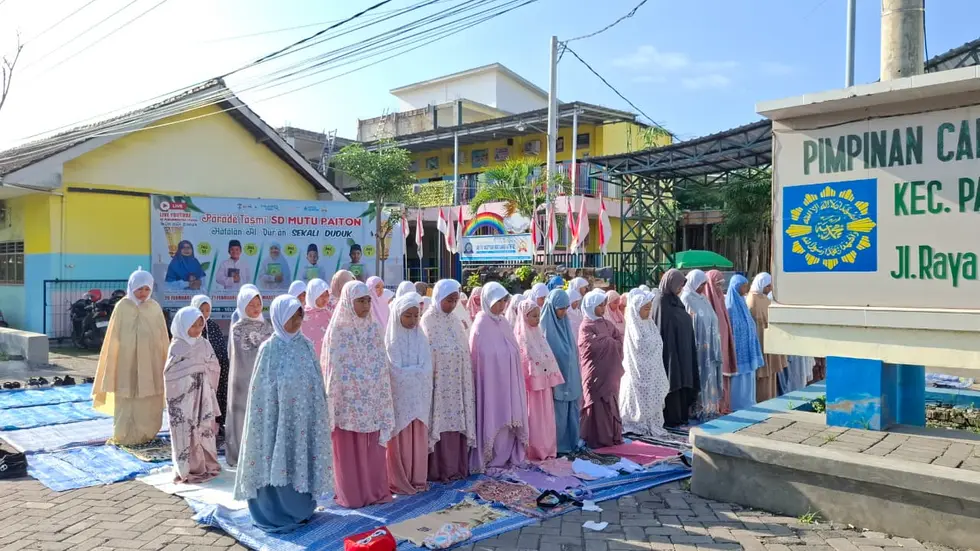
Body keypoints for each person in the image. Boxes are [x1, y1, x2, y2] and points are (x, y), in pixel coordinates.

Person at [234, 295, 333, 533]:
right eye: (292, 315)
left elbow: (316, 382)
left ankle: (300, 510)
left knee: (299, 458)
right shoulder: (269, 349)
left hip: (303, 420)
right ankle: (273, 511)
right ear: (279, 317)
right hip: (275, 422)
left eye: (300, 315)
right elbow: (261, 393)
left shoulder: (306, 345)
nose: (298, 320)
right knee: (275, 456)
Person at [324, 281, 395, 508]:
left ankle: (374, 491)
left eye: (367, 300)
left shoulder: (374, 328)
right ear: (348, 302)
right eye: (360, 301)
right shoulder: (338, 330)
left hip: (372, 400)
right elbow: (334, 369)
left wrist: (377, 389)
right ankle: (352, 494)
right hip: (347, 403)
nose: (365, 306)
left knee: (372, 448)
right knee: (349, 451)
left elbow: (381, 363)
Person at [93, 268, 169, 445]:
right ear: (131, 287)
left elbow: (162, 338)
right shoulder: (122, 307)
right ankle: (124, 435)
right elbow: (113, 337)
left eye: (146, 289)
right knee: (126, 398)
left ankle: (147, 434)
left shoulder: (154, 308)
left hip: (151, 362)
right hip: (125, 362)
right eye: (139, 289)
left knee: (149, 399)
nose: (143, 293)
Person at [420, 280, 477, 482]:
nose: (452, 305)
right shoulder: (428, 320)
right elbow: (429, 350)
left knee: (456, 421)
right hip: (438, 384)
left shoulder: (455, 321)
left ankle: (456, 467)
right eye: (449, 300)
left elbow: (463, 349)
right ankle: (439, 470)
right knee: (439, 421)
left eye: (455, 301)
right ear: (438, 298)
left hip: (456, 384)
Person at [469, 282, 528, 472]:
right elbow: (480, 357)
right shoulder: (480, 324)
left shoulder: (503, 323)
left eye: (504, 301)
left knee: (509, 419)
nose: (502, 305)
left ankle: (507, 454)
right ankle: (490, 457)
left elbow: (513, 348)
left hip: (508, 380)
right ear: (488, 301)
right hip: (491, 383)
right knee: (493, 415)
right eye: (498, 301)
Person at [164, 306, 221, 484]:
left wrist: (202, 372)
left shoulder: (204, 343)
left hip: (203, 395)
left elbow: (214, 365)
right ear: (182, 325)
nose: (197, 330)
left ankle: (207, 464)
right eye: (193, 326)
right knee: (185, 429)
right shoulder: (177, 346)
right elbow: (170, 374)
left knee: (204, 428)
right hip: (183, 398)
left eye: (200, 325)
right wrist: (191, 373)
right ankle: (188, 468)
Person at [384, 293, 433, 495]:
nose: (413, 320)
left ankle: (418, 478)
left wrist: (413, 373)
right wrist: (415, 373)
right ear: (398, 315)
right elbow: (394, 370)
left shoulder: (421, 337)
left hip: (418, 398)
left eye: (416, 316)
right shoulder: (392, 339)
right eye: (408, 316)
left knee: (417, 438)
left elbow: (427, 366)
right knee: (402, 439)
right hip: (401, 400)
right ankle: (400, 480)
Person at [226, 286, 273, 467]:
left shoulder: (267, 325)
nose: (255, 308)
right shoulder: (238, 328)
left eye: (258, 303)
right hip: (243, 381)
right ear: (242, 305)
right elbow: (242, 355)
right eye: (251, 304)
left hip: (264, 381)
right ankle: (241, 454)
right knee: (242, 416)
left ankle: (262, 453)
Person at [514, 300, 564, 461]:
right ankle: (533, 450)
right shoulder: (520, 338)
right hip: (531, 392)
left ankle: (548, 449)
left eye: (538, 316)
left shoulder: (539, 335)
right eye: (533, 316)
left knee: (546, 420)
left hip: (544, 389)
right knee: (534, 420)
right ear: (524, 316)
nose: (537, 319)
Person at [652, 269, 700, 428]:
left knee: (684, 381)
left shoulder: (676, 301)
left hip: (682, 350)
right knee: (672, 383)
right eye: (678, 284)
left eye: (682, 285)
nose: (680, 288)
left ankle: (681, 416)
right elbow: (661, 328)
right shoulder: (660, 301)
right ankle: (671, 418)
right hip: (669, 352)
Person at [618, 289, 670, 437]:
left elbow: (657, 342)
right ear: (636, 309)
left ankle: (651, 422)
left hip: (653, 370)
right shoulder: (634, 326)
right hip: (638, 371)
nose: (648, 312)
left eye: (649, 308)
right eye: (646, 309)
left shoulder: (650, 324)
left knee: (653, 396)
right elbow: (640, 345)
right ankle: (635, 424)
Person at [578, 289, 625, 449]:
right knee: (595, 403)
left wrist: (608, 341)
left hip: (610, 373)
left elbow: (618, 339)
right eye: (599, 306)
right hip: (595, 373)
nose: (603, 308)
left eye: (604, 305)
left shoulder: (607, 323)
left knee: (610, 402)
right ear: (591, 306)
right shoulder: (586, 326)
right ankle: (595, 437)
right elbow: (589, 346)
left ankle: (612, 435)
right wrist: (608, 341)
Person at [540, 289, 582, 454]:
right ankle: (557, 446)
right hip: (556, 381)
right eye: (561, 308)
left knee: (571, 411)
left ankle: (572, 443)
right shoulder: (545, 326)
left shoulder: (565, 324)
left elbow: (571, 350)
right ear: (552, 307)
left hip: (570, 376)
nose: (564, 312)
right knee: (558, 414)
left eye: (566, 308)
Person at [680, 270, 724, 419]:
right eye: (701, 284)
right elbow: (688, 322)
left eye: (705, 284)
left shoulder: (703, 299)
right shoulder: (686, 298)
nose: (703, 287)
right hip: (697, 348)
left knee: (709, 377)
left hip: (710, 349)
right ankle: (697, 410)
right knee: (699, 377)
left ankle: (709, 409)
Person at [189, 295, 230, 427]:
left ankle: (216, 425)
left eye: (207, 310)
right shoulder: (189, 327)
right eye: (201, 310)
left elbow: (221, 349)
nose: (205, 314)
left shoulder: (213, 326)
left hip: (215, 372)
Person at [746, 273, 787, 402]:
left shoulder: (764, 298)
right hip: (760, 340)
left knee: (771, 374)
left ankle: (771, 397)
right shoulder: (752, 299)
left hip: (769, 339)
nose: (769, 289)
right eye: (768, 286)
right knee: (762, 374)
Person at [725, 275, 764, 410]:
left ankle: (748, 403)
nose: (746, 288)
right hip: (737, 351)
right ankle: (737, 405)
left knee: (748, 380)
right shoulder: (729, 306)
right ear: (736, 287)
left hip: (747, 348)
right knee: (738, 382)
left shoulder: (742, 302)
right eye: (744, 286)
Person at [703, 270, 737, 413]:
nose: (720, 288)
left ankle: (724, 405)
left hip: (723, 346)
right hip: (711, 348)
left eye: (722, 284)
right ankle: (715, 407)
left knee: (724, 377)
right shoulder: (705, 302)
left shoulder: (720, 300)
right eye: (717, 284)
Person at [301, 278, 331, 355]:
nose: (325, 298)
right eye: (321, 295)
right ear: (312, 295)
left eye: (327, 295)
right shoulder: (302, 317)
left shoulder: (329, 315)